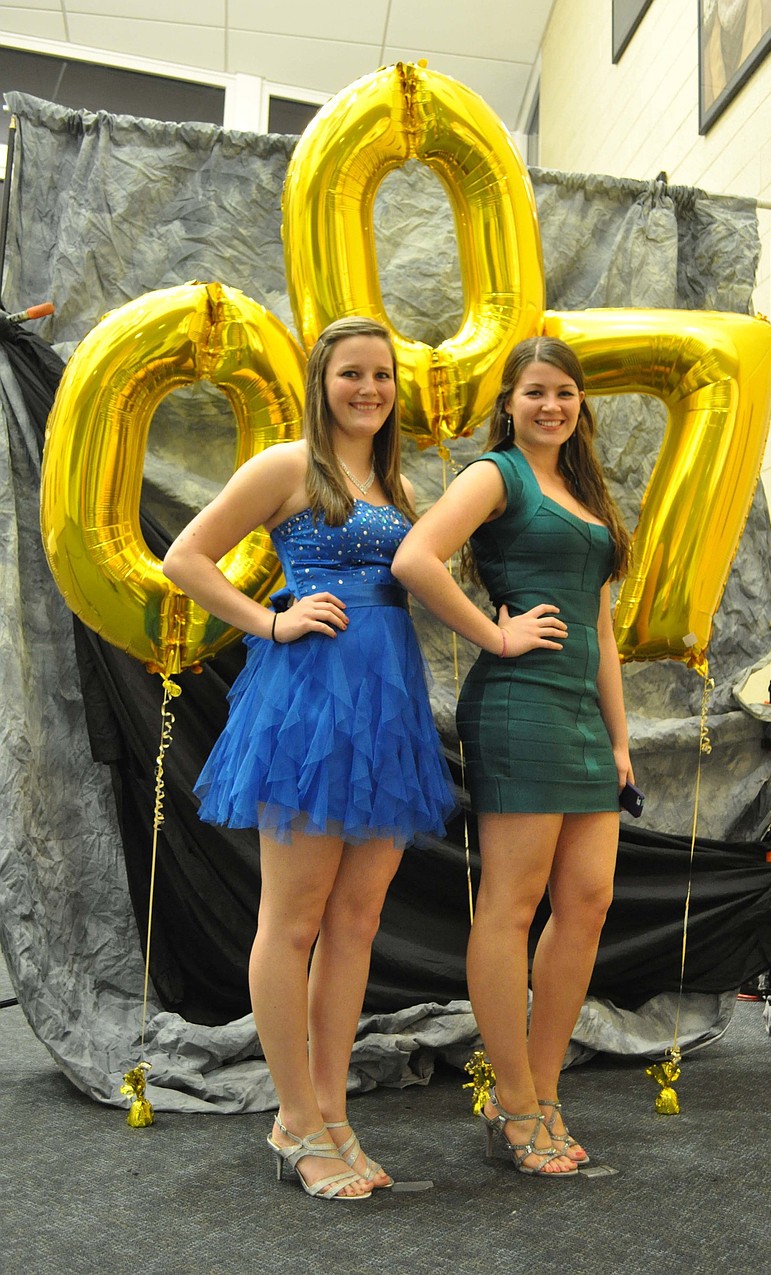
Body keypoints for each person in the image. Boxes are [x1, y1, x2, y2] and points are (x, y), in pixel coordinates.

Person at [163, 316, 456, 1201]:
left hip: (386, 712)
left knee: (357, 922)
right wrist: (272, 619)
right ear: (322, 381)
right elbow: (185, 557)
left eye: (382, 375)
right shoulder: (287, 466)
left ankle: (332, 1111)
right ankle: (293, 1117)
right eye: (351, 373)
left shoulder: (397, 483)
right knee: (292, 922)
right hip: (310, 707)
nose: (369, 389)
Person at [392, 336, 633, 1178]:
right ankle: (518, 1099)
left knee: (589, 900)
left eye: (564, 391)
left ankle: (539, 1089)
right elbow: (415, 558)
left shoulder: (584, 489)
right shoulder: (498, 474)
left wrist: (620, 738)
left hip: (581, 719)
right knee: (511, 903)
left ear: (579, 402)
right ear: (510, 402)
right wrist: (496, 634)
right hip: (518, 707)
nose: (551, 405)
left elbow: (600, 626)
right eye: (535, 391)